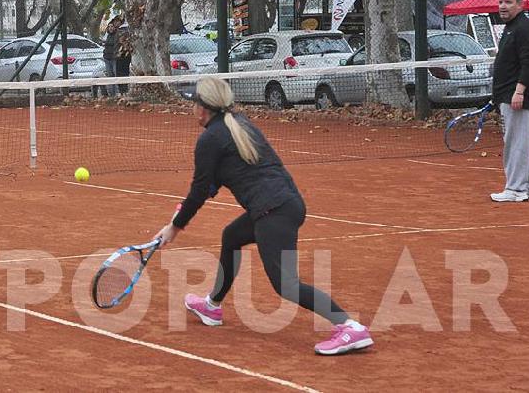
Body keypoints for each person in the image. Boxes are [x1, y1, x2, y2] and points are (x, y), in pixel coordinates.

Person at [152, 77, 373, 356]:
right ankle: (212, 306)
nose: (191, 109)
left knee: (286, 285)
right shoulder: (239, 123)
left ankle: (349, 326)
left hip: (273, 212)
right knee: (231, 236)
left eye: (193, 103)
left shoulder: (210, 139)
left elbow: (199, 190)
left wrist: (174, 227)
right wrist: (182, 213)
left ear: (203, 108)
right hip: (286, 204)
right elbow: (213, 183)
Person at [490, 0, 529, 202]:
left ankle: (515, 189)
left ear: (520, 5)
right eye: (501, 2)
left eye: (508, 2)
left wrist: (519, 92)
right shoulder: (511, 27)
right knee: (524, 140)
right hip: (507, 95)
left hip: (516, 96)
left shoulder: (523, 28)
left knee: (515, 142)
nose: (503, 6)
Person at [100, 16, 124, 97]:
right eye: (109, 26)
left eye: (112, 26)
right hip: (107, 58)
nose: (110, 28)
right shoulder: (107, 35)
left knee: (116, 75)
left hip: (115, 58)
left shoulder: (117, 34)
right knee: (110, 76)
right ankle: (112, 94)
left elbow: (118, 45)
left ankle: (118, 93)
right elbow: (104, 43)